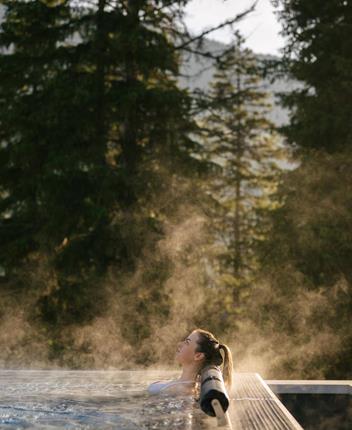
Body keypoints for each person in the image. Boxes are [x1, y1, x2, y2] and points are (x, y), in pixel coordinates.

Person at [147, 328, 233, 397]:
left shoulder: (181, 390)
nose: (180, 344)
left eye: (187, 342)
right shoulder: (182, 386)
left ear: (198, 356)